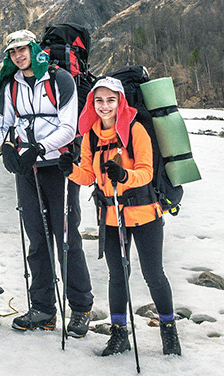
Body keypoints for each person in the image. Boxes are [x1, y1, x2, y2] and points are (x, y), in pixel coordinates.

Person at [69, 77, 181, 356]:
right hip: (110, 216)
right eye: (99, 101)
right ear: (92, 104)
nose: (105, 106)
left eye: (110, 100)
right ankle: (119, 334)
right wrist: (68, 169)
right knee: (117, 275)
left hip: (144, 214)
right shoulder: (91, 135)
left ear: (120, 101)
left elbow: (145, 170)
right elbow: (88, 176)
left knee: (153, 274)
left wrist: (124, 176)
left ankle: (169, 333)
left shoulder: (136, 129)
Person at [0, 29, 93, 336]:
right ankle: (44, 309)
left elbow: (69, 127)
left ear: (34, 49)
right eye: (13, 52)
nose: (18, 56)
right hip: (27, 168)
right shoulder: (11, 84)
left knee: (65, 236)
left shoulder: (60, 79)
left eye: (23, 50)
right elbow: (2, 123)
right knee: (36, 237)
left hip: (58, 166)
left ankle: (80, 307)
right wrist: (6, 149)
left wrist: (38, 148)